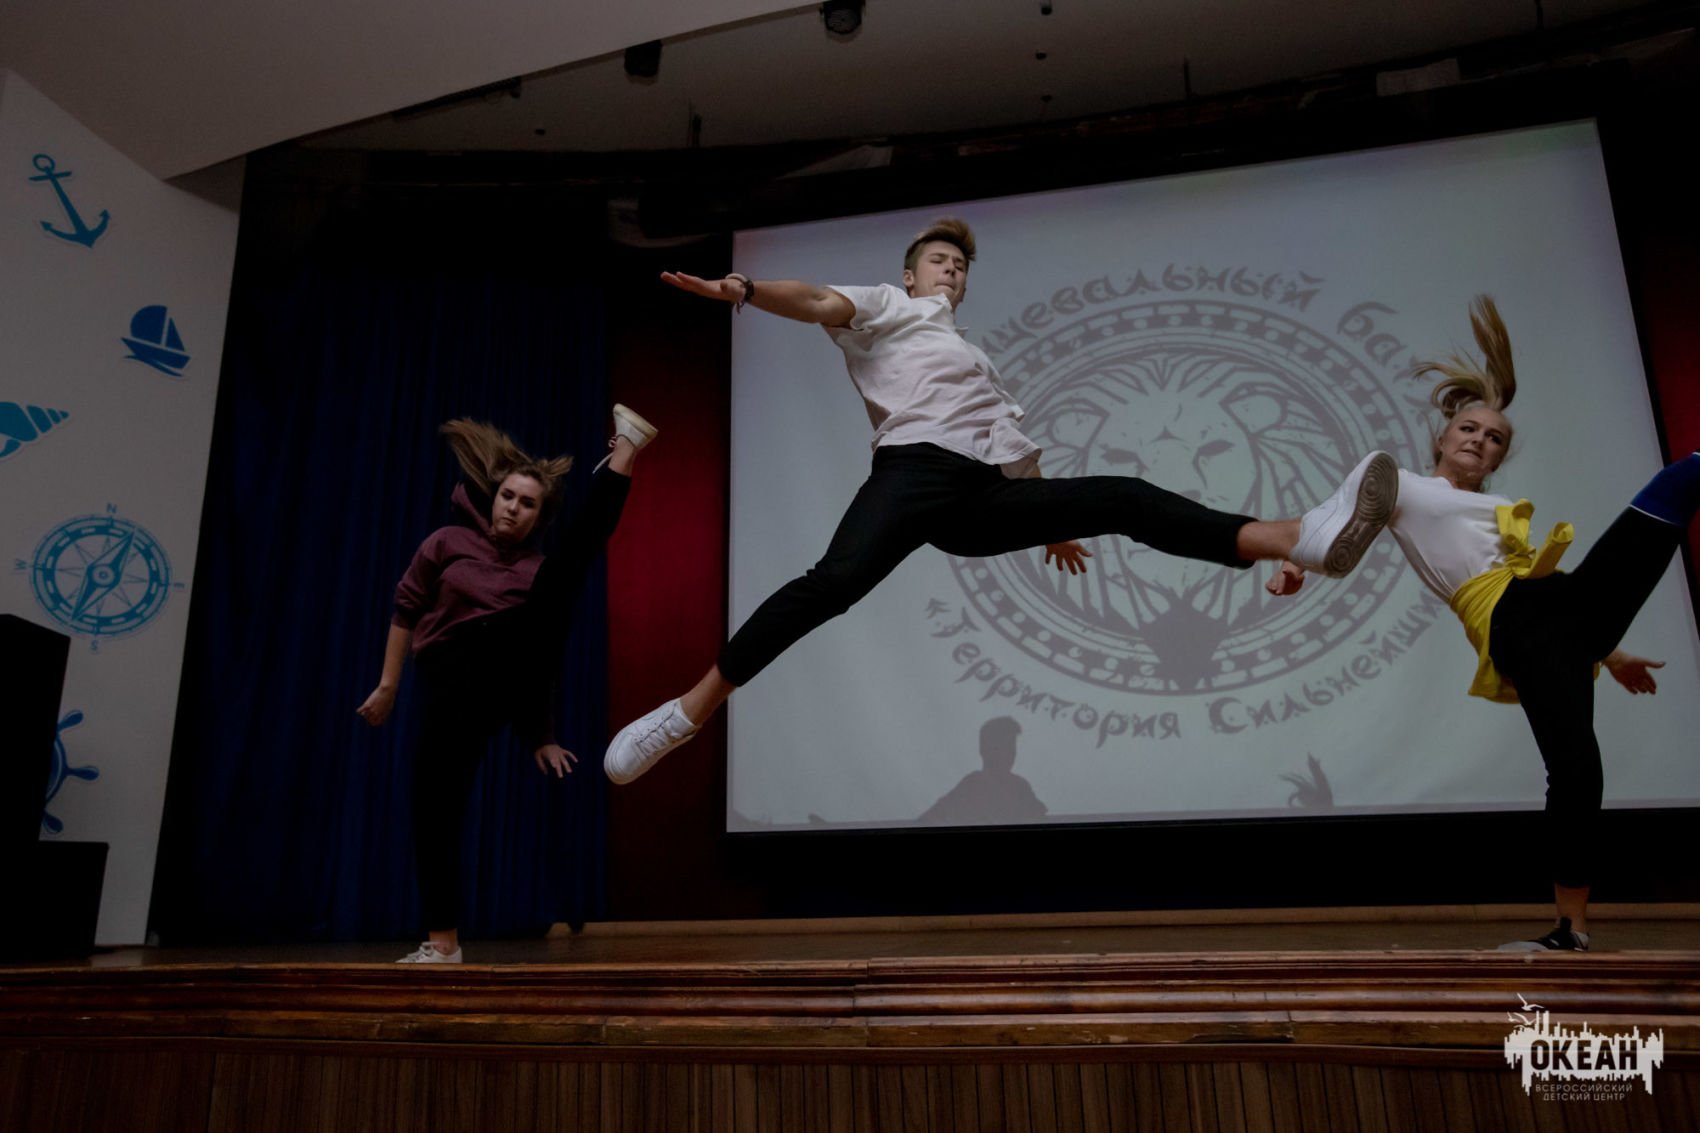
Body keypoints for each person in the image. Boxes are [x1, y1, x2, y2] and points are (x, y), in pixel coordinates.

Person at [604, 217, 1400, 784]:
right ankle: (688, 712)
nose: (951, 272)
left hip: (979, 498)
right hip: (912, 473)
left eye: (960, 266)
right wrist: (744, 288)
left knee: (1123, 497)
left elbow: (1018, 463)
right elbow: (814, 301)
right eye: (939, 261)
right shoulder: (891, 309)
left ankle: (1293, 538)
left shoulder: (978, 364)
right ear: (912, 275)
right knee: (832, 585)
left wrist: (1052, 522)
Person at [1267, 295, 1698, 951]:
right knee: (1575, 770)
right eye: (1469, 428)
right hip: (1514, 621)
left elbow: (1550, 595)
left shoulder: (1494, 507)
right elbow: (1327, 523)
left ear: (1497, 460)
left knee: (1683, 479)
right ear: (1442, 439)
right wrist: (1293, 563)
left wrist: (1610, 652)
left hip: (1561, 608)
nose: (1479, 440)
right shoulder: (1404, 487)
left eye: (1494, 438)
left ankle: (1571, 931)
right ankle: (1572, 929)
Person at [358, 406, 657, 963]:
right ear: (492, 498)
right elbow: (406, 609)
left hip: (504, 666)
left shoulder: (535, 571)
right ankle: (444, 945)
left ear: (539, 517)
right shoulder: (446, 543)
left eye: (527, 504)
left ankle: (625, 452)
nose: (513, 508)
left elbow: (540, 660)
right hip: (450, 686)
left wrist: (541, 734)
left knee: (567, 567)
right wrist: (388, 685)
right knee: (433, 806)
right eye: (508, 497)